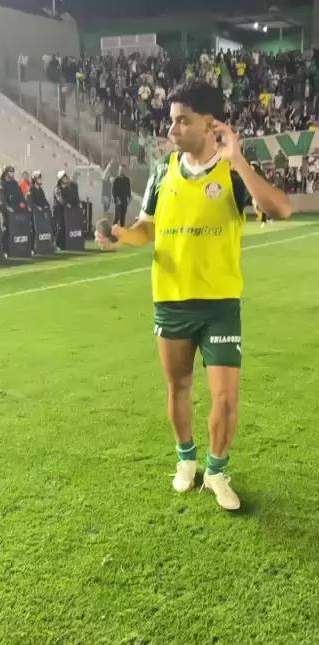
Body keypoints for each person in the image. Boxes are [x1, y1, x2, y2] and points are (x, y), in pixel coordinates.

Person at [96, 80, 291, 511]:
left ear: (209, 124)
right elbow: (147, 228)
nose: (172, 129)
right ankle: (186, 460)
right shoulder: (163, 170)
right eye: (171, 121)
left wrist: (237, 159)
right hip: (171, 299)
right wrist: (122, 236)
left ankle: (216, 471)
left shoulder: (232, 171)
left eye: (182, 121)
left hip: (220, 304)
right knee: (178, 386)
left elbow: (280, 208)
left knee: (225, 398)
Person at [0, 165, 27, 253]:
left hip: (16, 210)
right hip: (6, 210)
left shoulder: (15, 183)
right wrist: (8, 207)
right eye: (10, 172)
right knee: (7, 229)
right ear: (6, 173)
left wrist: (23, 203)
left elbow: (20, 196)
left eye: (13, 172)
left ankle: (18, 248)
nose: (12, 174)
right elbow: (2, 199)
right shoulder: (1, 184)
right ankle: (5, 250)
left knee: (18, 228)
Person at [53, 171, 80, 250]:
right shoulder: (57, 189)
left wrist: (77, 203)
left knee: (66, 227)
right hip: (59, 210)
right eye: (64, 178)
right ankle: (58, 244)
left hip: (66, 211)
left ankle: (64, 244)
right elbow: (60, 199)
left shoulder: (68, 188)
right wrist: (66, 204)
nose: (65, 179)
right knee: (60, 227)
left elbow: (73, 197)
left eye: (66, 178)